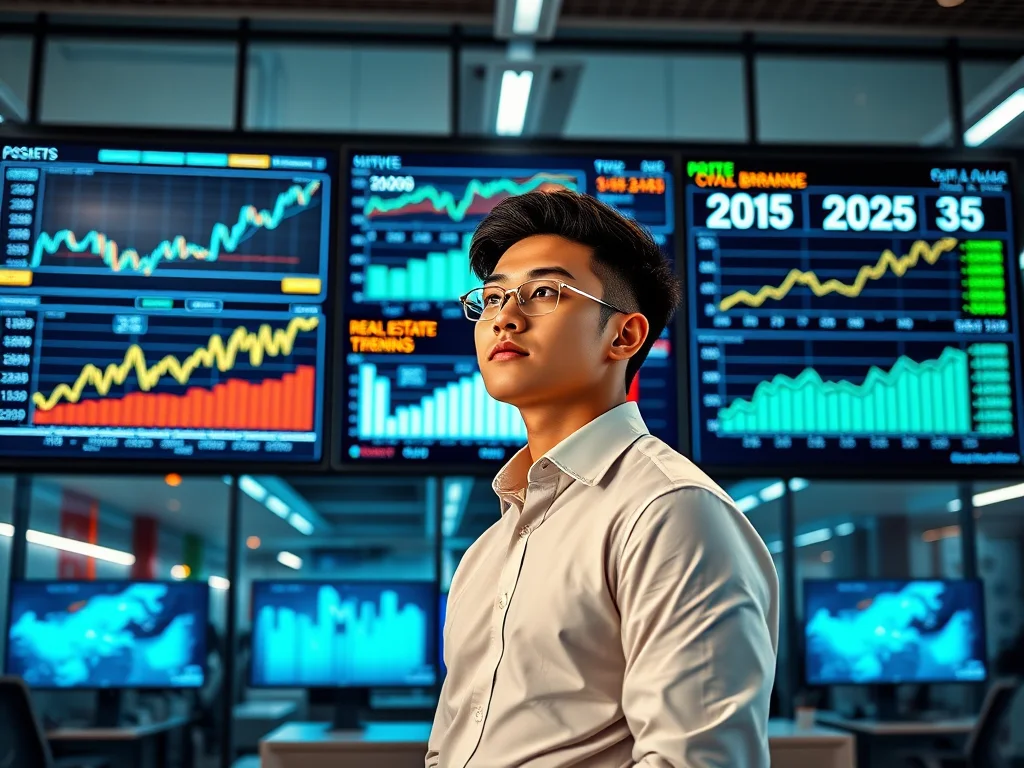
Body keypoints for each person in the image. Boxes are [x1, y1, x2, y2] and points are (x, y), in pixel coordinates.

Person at [425, 189, 779, 768]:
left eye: (544, 292)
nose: (505, 317)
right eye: (491, 298)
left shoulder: (670, 512)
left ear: (624, 336)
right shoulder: (489, 548)